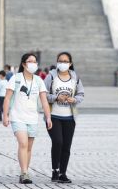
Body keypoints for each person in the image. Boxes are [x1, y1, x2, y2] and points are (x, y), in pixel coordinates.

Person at [3, 53, 52, 184]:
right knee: (23, 143)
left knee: (29, 147)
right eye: (30, 61)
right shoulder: (16, 78)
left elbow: (44, 101)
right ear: (24, 64)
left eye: (35, 62)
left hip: (32, 118)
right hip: (17, 117)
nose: (33, 64)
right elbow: (7, 98)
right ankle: (24, 173)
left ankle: (24, 171)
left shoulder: (38, 80)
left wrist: (48, 117)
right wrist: (5, 115)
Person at [44, 52, 84, 183]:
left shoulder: (75, 78)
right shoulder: (51, 76)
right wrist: (56, 97)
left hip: (69, 117)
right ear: (57, 62)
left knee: (66, 146)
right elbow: (43, 94)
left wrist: (74, 99)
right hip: (53, 115)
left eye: (66, 61)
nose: (63, 63)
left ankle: (62, 173)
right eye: (60, 61)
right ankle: (55, 170)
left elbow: (81, 94)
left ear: (70, 63)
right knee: (58, 142)